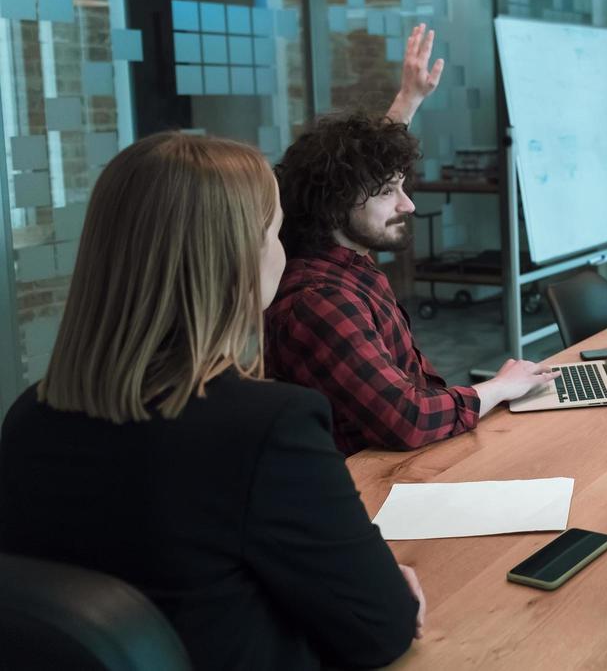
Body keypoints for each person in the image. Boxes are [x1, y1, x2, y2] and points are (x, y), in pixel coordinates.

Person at [0, 133, 423, 671]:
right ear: (235, 257)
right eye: (275, 231)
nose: (284, 251)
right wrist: (388, 589)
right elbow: (383, 627)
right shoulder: (268, 429)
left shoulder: (29, 419)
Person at [265, 23, 556, 456]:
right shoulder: (320, 299)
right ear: (335, 204)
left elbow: (358, 172)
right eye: (389, 192)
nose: (409, 205)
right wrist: (496, 389)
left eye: (401, 187)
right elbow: (408, 420)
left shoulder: (344, 257)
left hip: (416, 456)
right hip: (379, 479)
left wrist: (409, 99)